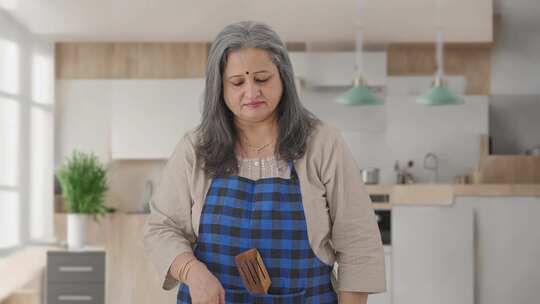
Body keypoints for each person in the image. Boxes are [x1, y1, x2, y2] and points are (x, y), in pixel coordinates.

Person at [143, 21, 386, 304]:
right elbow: (160, 228)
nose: (251, 92)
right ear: (219, 88)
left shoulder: (322, 143)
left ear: (283, 78)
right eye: (237, 82)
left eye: (262, 79)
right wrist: (191, 271)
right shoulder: (195, 148)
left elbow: (358, 242)